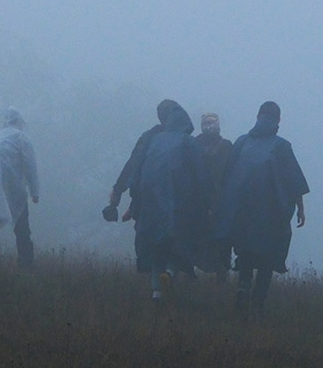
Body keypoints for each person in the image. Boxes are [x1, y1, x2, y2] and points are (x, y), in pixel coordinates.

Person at [212, 101, 309, 315]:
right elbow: (294, 181)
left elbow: (227, 177)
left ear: (257, 117)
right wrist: (300, 209)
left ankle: (243, 287)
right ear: (279, 120)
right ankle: (257, 303)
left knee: (246, 250)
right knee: (268, 255)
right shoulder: (282, 146)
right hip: (271, 212)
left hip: (241, 209)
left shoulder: (241, 142)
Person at [122, 101, 214, 300]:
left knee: (157, 247)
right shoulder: (189, 142)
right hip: (181, 203)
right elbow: (202, 176)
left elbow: (137, 170)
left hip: (151, 202)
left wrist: (134, 202)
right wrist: (209, 204)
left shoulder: (155, 140)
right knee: (181, 245)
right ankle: (170, 273)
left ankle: (156, 292)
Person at [0, 108, 41, 268]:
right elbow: (30, 166)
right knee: (22, 226)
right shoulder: (21, 137)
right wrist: (35, 191)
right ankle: (25, 264)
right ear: (19, 122)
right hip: (14, 186)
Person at [107, 100, 181, 222]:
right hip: (176, 206)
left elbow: (133, 165)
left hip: (147, 203)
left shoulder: (149, 137)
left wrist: (118, 190)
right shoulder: (185, 140)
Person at [195, 113, 235, 279]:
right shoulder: (194, 144)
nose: (209, 126)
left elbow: (231, 175)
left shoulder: (226, 147)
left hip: (219, 203)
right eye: (206, 123)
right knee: (196, 240)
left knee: (221, 243)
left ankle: (221, 278)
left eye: (211, 122)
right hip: (199, 202)